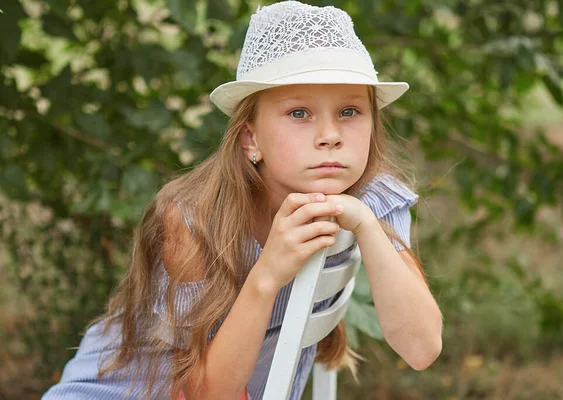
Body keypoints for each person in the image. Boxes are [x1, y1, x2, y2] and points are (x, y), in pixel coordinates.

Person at [42, 1, 443, 399]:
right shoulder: (195, 219)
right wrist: (268, 273)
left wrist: (367, 226)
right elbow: (205, 394)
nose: (330, 134)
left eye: (350, 111)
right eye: (299, 113)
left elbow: (422, 349)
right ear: (250, 138)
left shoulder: (375, 199)